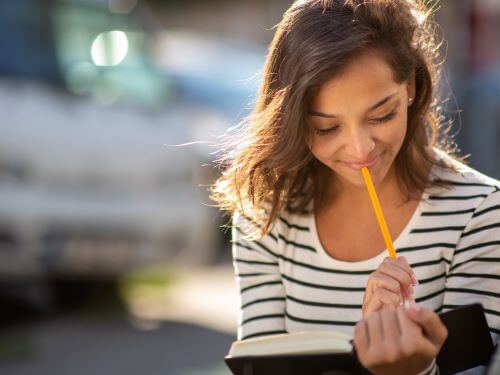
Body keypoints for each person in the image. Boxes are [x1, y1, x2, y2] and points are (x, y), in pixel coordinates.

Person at [211, 0, 500, 374]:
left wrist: (413, 368)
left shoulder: (479, 213)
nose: (360, 149)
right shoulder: (265, 214)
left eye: (381, 115)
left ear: (410, 87)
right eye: (327, 127)